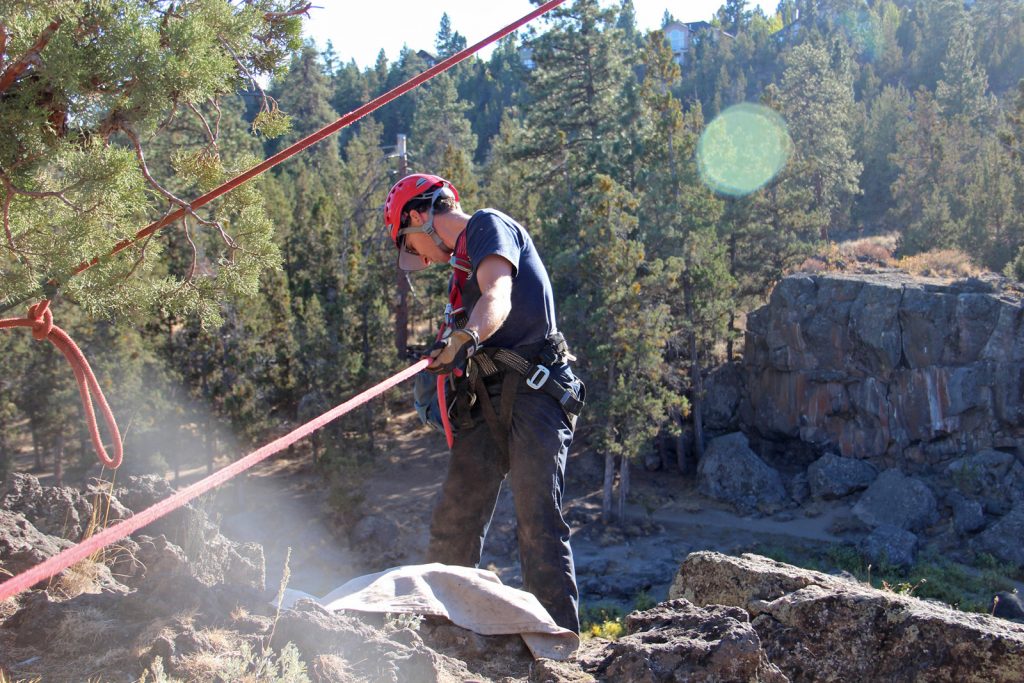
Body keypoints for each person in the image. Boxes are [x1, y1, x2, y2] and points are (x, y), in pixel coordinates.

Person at [384, 174, 586, 634]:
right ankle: (440, 635)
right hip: (483, 401)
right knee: (454, 519)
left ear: (419, 216)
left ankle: (558, 649)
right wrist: (448, 351)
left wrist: (465, 337)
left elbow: (499, 295)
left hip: (535, 393)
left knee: (538, 523)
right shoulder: (460, 272)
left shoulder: (487, 227)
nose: (417, 257)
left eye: (410, 245)